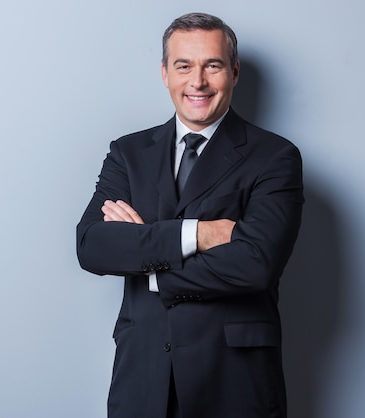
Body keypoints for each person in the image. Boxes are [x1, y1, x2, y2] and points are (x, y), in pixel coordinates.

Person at [76, 12, 304, 418]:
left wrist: (144, 260)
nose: (197, 82)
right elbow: (92, 247)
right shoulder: (128, 154)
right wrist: (199, 234)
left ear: (233, 72)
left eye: (212, 66)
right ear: (165, 73)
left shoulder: (275, 157)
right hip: (142, 378)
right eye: (183, 66)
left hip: (234, 383)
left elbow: (256, 265)